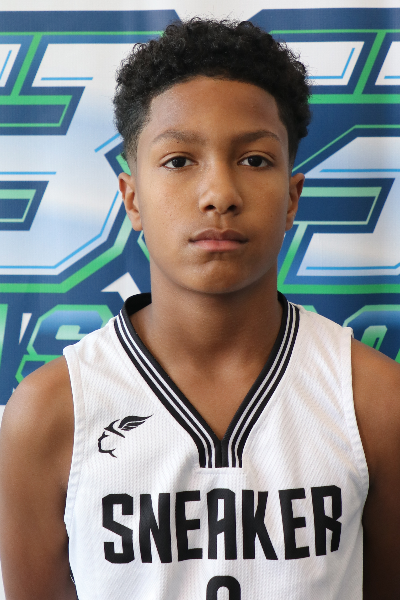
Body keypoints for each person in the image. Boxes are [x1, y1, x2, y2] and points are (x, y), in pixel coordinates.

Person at [0, 18, 399, 600]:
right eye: (179, 160)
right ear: (132, 198)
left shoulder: (375, 401)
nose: (220, 194)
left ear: (292, 198)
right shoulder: (51, 412)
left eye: (255, 160)